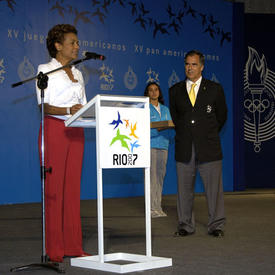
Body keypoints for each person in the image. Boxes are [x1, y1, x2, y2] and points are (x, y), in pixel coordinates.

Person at [36, 24, 90, 263]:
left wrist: (85, 112)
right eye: (72, 43)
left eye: (77, 42)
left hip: (77, 131)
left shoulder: (78, 73)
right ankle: (54, 249)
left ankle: (73, 246)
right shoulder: (44, 69)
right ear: (58, 46)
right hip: (54, 130)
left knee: (72, 190)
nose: (77, 46)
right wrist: (68, 109)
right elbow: (43, 105)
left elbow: (84, 104)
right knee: (55, 190)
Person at [169, 50, 227, 237]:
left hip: (209, 146)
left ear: (202, 67)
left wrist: (206, 134)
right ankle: (185, 225)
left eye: (194, 64)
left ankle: (216, 225)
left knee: (214, 190)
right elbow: (176, 118)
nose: (189, 68)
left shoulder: (215, 89)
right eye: (187, 64)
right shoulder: (175, 90)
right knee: (184, 189)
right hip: (184, 146)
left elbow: (221, 116)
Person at [144, 82, 174, 218]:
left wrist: (166, 131)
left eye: (156, 90)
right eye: (151, 90)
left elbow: (171, 129)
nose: (154, 92)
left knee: (160, 177)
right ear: (147, 93)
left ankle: (158, 207)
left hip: (164, 146)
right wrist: (158, 130)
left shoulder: (166, 109)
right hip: (150, 145)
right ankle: (150, 208)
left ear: (159, 92)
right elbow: (143, 131)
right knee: (152, 178)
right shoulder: (145, 108)